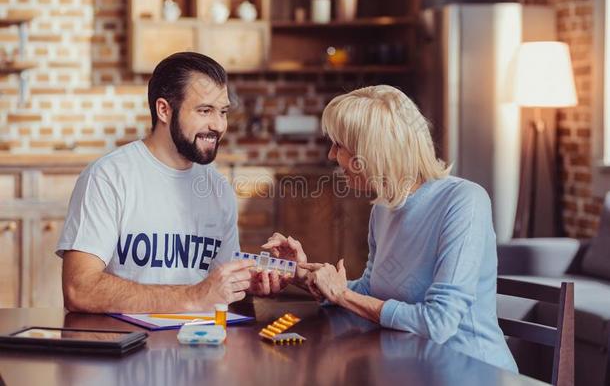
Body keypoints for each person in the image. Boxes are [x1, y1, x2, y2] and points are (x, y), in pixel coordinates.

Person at [263, 85, 518, 372]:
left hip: (468, 371)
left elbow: (438, 323)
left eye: (339, 145)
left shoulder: (464, 201)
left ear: (372, 151)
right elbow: (371, 291)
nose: (332, 155)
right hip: (409, 367)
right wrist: (301, 273)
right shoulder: (383, 207)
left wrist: (341, 294)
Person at [58, 52, 285, 313]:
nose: (219, 125)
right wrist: (192, 296)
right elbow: (79, 289)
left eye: (223, 112)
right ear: (164, 110)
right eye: (204, 111)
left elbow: (219, 289)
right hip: (127, 346)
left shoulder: (218, 188)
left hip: (202, 344)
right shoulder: (108, 177)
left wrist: (252, 283)